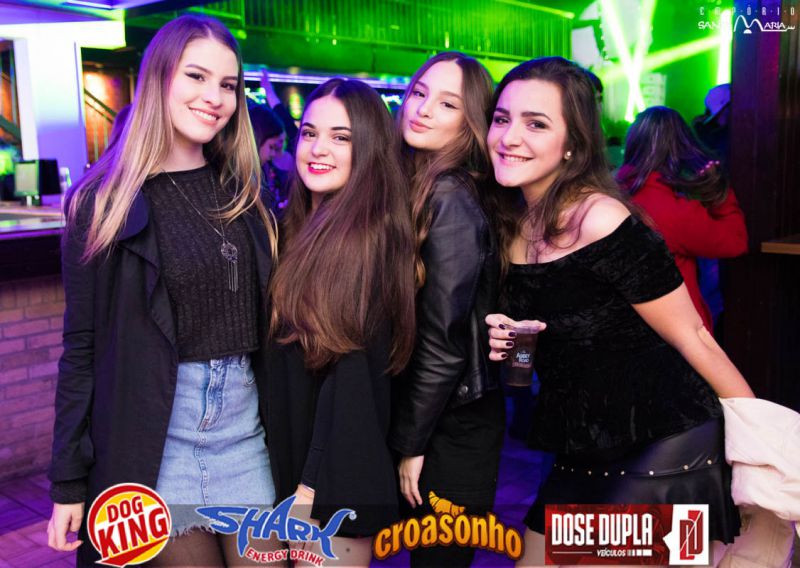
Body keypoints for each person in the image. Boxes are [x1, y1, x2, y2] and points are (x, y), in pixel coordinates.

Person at [483, 57, 754, 566]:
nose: (510, 137)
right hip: (583, 449)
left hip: (665, 446)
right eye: (502, 118)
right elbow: (562, 335)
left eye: (536, 124)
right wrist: (509, 342)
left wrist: (757, 441)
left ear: (572, 143)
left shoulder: (601, 217)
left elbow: (693, 335)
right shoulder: (514, 225)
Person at [46, 15, 281, 566]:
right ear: (160, 78)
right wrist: (67, 481)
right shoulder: (101, 203)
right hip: (157, 445)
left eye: (228, 85)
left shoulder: (246, 193)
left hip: (246, 437)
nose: (214, 98)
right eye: (196, 76)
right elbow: (81, 348)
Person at [265, 78, 415, 566]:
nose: (318, 148)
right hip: (296, 464)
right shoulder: (298, 229)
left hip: (334, 483)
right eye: (310, 133)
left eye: (341, 137)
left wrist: (309, 488)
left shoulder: (369, 242)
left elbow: (349, 385)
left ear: (368, 150)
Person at [388, 51, 504, 567]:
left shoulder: (450, 195)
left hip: (453, 424)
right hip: (439, 412)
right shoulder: (418, 183)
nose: (424, 109)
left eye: (448, 103)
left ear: (470, 121)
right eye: (419, 93)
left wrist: (411, 443)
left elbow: (444, 339)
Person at [618, 106, 748, 335]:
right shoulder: (672, 211)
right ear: (679, 147)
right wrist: (719, 191)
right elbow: (735, 242)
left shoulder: (609, 194)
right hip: (672, 334)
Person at [248, 103, 291, 210]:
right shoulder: (237, 177)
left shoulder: (263, 170)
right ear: (256, 139)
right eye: (271, 147)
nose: (273, 154)